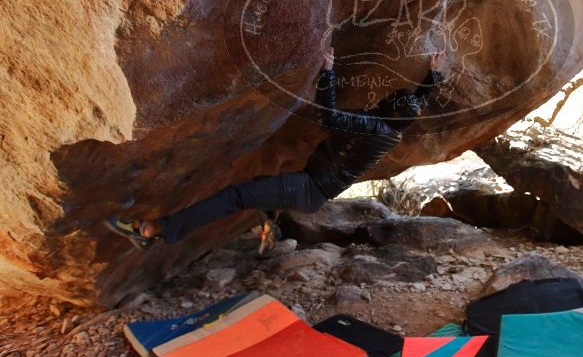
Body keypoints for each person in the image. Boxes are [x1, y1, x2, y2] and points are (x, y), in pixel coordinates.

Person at [104, 44, 446, 249]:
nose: (385, 98)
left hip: (308, 188)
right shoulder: (394, 126)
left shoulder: (375, 127)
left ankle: (154, 229)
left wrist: (328, 71)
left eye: (389, 100)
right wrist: (430, 79)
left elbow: (328, 116)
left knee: (236, 196)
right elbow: (411, 105)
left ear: (389, 109)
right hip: (311, 187)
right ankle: (272, 227)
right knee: (256, 189)